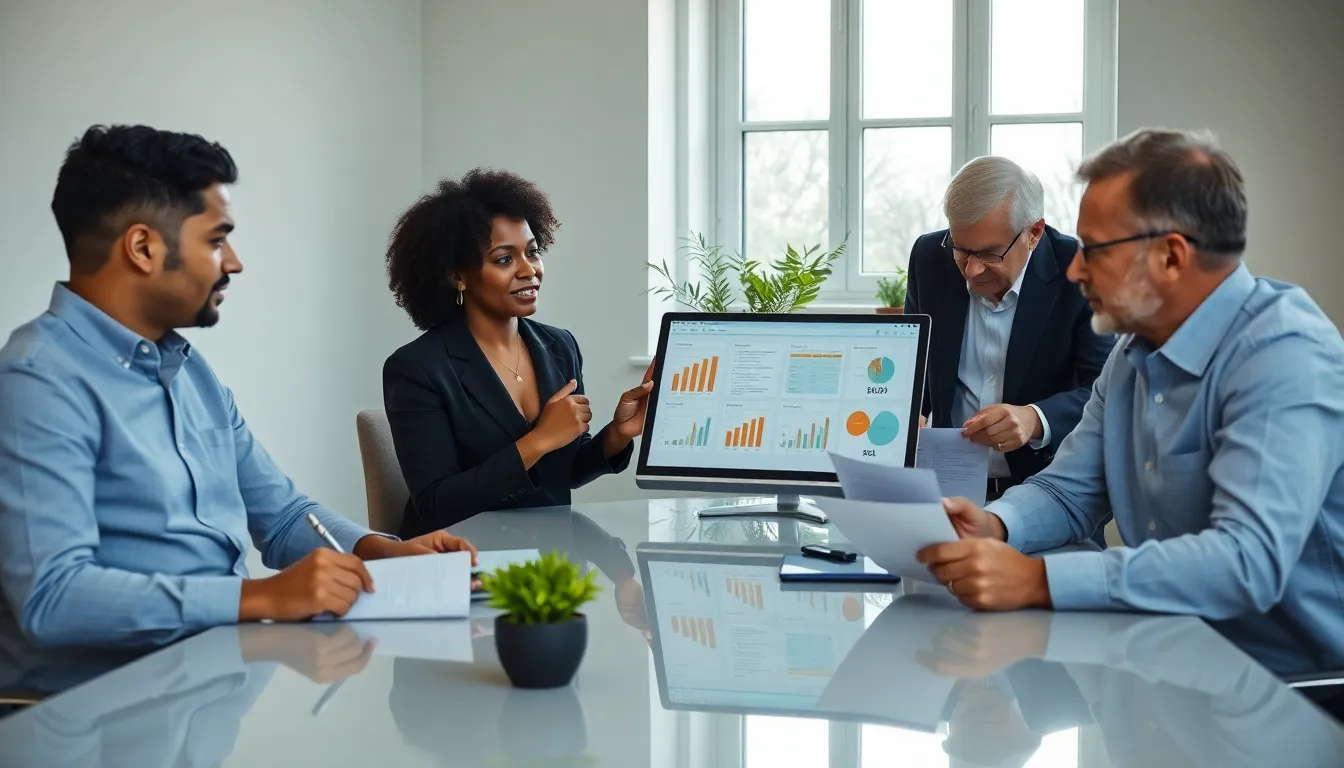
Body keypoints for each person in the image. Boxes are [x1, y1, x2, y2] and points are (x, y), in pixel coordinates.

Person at [0, 125, 477, 656]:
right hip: (103, 711)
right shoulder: (37, 381)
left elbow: (285, 517)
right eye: (216, 239)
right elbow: (53, 599)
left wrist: (383, 552)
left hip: (218, 670)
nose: (233, 262)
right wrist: (258, 597)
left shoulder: (189, 371)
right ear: (142, 247)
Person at [916, 129, 1344, 681]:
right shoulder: (1129, 358)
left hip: (1289, 689)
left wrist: (1036, 581)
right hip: (1171, 659)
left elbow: (1244, 562)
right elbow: (1070, 491)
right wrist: (993, 525)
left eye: (1094, 250)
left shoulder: (1283, 354)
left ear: (1170, 256)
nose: (1074, 270)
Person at [383, 169, 653, 537]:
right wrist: (538, 439)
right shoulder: (418, 368)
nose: (529, 270)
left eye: (533, 252)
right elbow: (436, 505)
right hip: (460, 563)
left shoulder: (559, 346)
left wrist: (618, 434)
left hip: (549, 561)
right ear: (457, 276)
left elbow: (563, 471)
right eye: (504, 259)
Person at [905, 156, 1115, 503]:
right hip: (945, 493)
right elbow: (913, 363)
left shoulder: (1081, 271)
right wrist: (907, 413)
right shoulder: (929, 257)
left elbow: (1106, 389)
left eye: (989, 254)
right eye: (961, 250)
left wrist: (1034, 418)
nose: (971, 271)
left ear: (1034, 233)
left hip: (1050, 492)